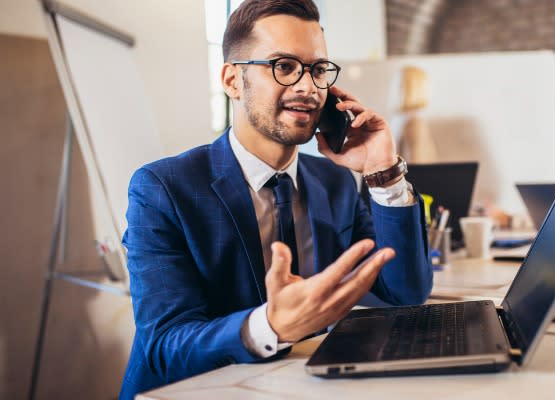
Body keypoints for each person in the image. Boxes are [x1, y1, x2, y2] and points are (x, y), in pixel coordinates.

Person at [118, 1, 432, 398]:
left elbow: (404, 292)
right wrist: (272, 326)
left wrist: (383, 172)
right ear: (233, 80)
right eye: (284, 66)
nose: (307, 87)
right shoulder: (163, 188)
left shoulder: (334, 182)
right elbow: (164, 347)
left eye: (318, 69)